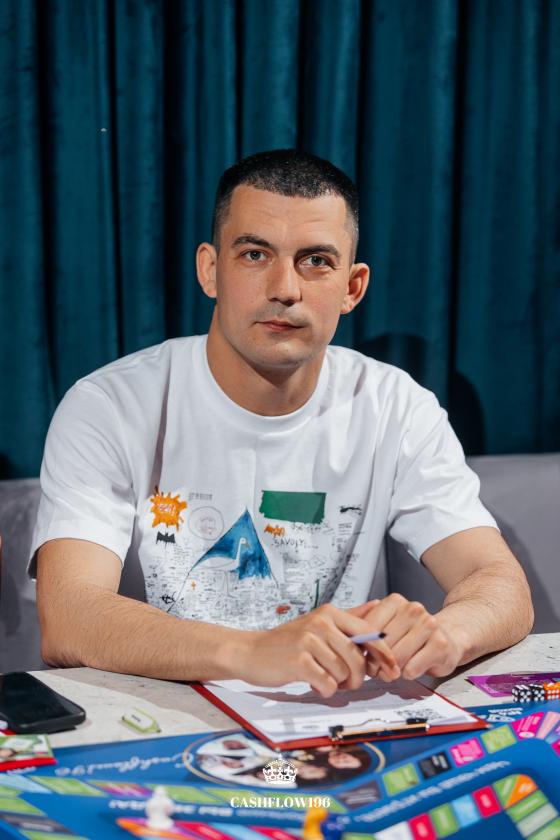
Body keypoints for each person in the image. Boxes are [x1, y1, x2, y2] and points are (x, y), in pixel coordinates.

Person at [32, 149, 533, 698]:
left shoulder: (397, 405)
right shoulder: (109, 405)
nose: (285, 289)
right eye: (254, 254)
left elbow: (497, 582)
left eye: (315, 260)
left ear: (352, 287)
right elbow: (70, 617)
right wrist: (250, 653)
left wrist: (445, 634)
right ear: (210, 270)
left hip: (335, 720)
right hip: (161, 719)